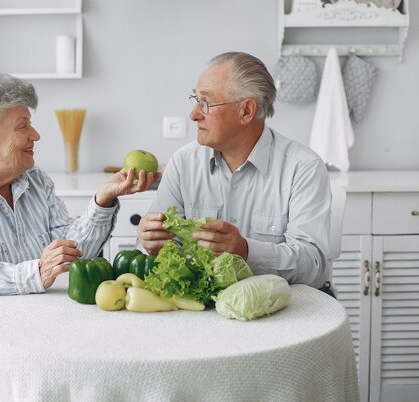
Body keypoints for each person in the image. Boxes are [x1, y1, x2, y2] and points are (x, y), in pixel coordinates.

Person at [0, 73, 158, 394]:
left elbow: (71, 255)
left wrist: (103, 200)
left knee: (82, 385)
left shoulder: (35, 181)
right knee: (5, 400)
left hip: (18, 336)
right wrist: (32, 273)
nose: (35, 134)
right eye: (22, 125)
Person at [137, 51, 332, 291]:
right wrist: (151, 243)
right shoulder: (182, 163)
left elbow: (314, 266)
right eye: (195, 99)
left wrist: (246, 251)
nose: (194, 114)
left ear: (247, 111)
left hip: (284, 310)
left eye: (205, 102)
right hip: (204, 312)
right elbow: (159, 254)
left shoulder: (304, 168)